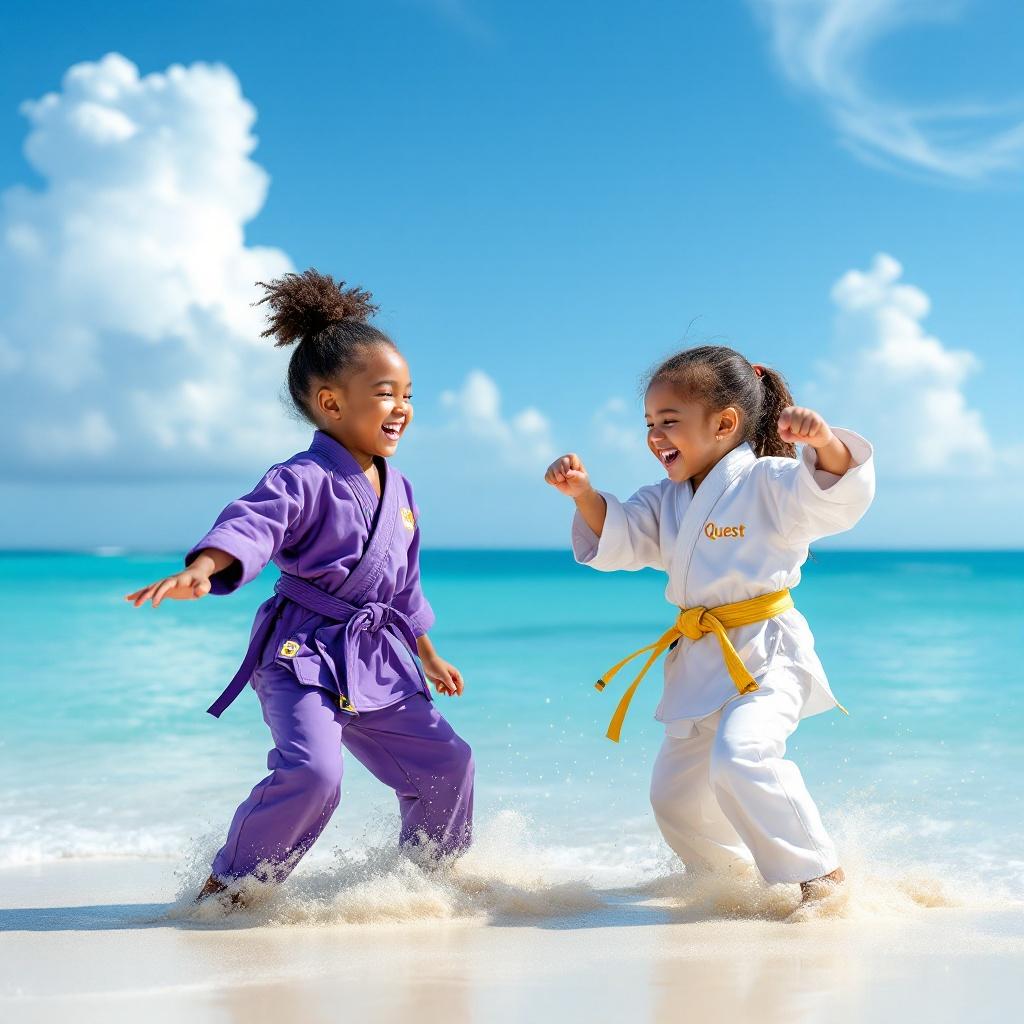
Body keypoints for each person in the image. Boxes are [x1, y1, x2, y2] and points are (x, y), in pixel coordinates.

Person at [127, 270, 474, 901]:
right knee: (314, 774)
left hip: (378, 655)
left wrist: (427, 651)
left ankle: (426, 883)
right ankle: (233, 888)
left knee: (448, 762)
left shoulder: (400, 490)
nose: (403, 408)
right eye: (386, 393)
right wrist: (207, 567)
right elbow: (253, 524)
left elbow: (402, 585)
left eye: (409, 395)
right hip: (302, 654)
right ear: (332, 402)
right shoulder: (301, 477)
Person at [544, 345, 874, 904]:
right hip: (700, 658)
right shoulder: (666, 499)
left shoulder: (770, 481)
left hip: (766, 653)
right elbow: (623, 533)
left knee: (742, 755)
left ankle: (822, 880)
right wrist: (583, 496)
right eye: (649, 423)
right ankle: (732, 883)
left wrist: (823, 443)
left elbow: (833, 495)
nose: (655, 436)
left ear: (725, 424)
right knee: (673, 797)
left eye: (669, 422)